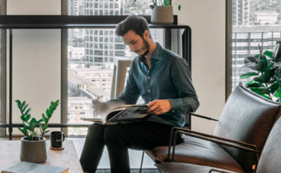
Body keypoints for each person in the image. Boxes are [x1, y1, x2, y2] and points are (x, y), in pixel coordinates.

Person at [79, 15, 199, 173]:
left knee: (114, 134)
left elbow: (193, 101)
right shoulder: (137, 64)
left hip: (170, 129)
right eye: (128, 44)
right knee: (96, 128)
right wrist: (106, 107)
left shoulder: (173, 63)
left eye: (133, 42)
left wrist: (169, 104)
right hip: (146, 122)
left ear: (146, 34)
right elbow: (127, 98)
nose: (132, 49)